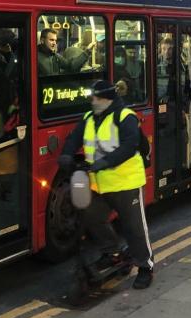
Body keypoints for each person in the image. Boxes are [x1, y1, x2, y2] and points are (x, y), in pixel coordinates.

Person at [57, 80, 153, 289]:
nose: (92, 101)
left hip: (126, 182)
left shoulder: (125, 117)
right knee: (93, 219)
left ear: (106, 99)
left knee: (134, 228)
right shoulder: (89, 118)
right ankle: (112, 252)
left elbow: (129, 146)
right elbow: (74, 138)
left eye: (95, 97)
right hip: (99, 184)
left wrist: (105, 162)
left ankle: (145, 267)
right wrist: (66, 155)